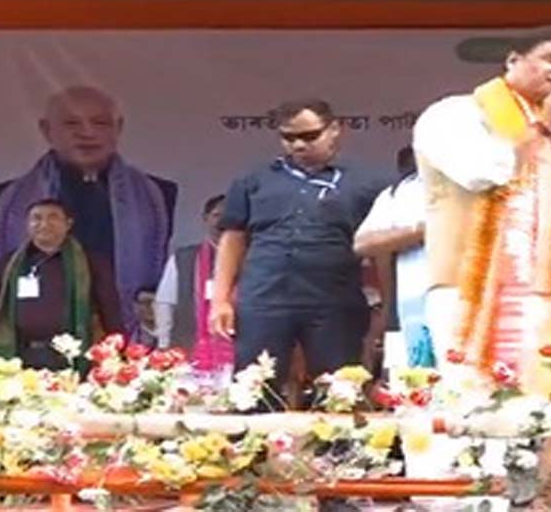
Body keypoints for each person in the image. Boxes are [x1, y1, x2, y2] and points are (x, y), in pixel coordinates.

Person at [412, 28, 551, 398]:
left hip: (547, 289)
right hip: (468, 287)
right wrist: (544, 128)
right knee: (471, 399)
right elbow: (481, 174)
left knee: (542, 403)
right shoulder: (456, 114)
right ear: (513, 61)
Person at [208, 99, 388, 403]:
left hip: (334, 302)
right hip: (264, 299)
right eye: (288, 138)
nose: (299, 145)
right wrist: (220, 300)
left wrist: (387, 306)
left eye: (309, 136)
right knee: (254, 393)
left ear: (335, 130)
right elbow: (233, 237)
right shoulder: (254, 179)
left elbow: (382, 248)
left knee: (340, 396)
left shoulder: (367, 183)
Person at [0, 85, 177, 342]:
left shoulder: (157, 196)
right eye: (72, 123)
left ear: (118, 128)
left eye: (100, 123)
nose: (87, 133)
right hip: (36, 339)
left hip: (120, 327)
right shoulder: (4, 200)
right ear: (46, 129)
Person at [0, 199, 125, 369]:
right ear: (27, 224)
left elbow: (109, 307)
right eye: (36, 218)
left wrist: (118, 349)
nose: (44, 224)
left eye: (53, 217)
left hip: (72, 355)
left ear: (68, 224)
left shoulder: (91, 261)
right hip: (20, 354)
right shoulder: (10, 263)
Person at [353, 146, 432, 368]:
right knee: (411, 383)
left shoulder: (484, 186)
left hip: (471, 306)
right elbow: (363, 244)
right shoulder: (402, 192)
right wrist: (422, 230)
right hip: (412, 306)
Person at [153, 194, 230, 372]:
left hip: (236, 352)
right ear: (205, 218)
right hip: (188, 350)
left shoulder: (249, 259)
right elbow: (165, 302)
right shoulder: (183, 258)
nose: (221, 222)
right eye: (216, 215)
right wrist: (163, 343)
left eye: (228, 217)